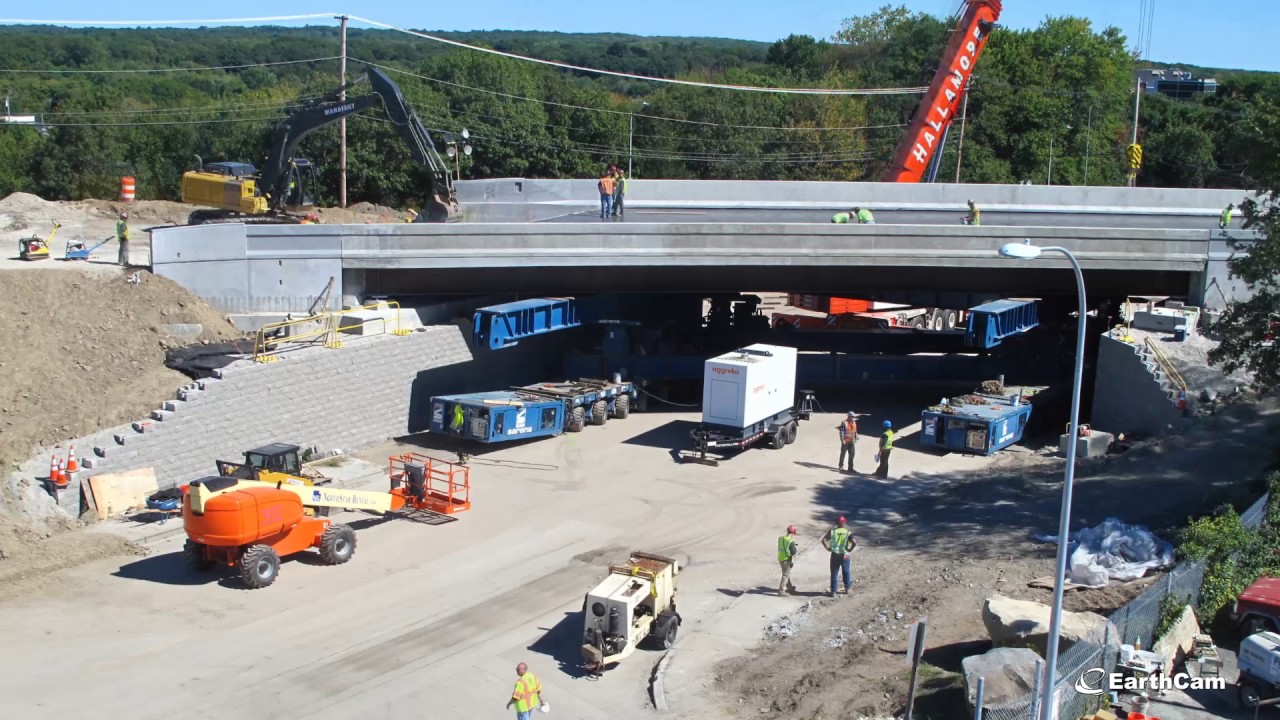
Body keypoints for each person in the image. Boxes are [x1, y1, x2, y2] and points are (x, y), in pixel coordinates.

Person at [821, 515, 855, 597]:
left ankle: (833, 591)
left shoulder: (832, 532)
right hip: (845, 555)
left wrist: (828, 548)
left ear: (836, 523)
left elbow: (823, 540)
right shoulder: (848, 532)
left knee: (834, 573)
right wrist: (850, 549)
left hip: (835, 554)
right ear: (844, 523)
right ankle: (847, 588)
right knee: (846, 571)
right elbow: (854, 542)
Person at [777, 524, 798, 596]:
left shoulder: (781, 538)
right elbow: (794, 552)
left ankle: (790, 588)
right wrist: (795, 547)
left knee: (786, 574)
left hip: (780, 558)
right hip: (787, 559)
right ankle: (781, 591)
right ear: (793, 533)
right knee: (785, 575)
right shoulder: (791, 541)